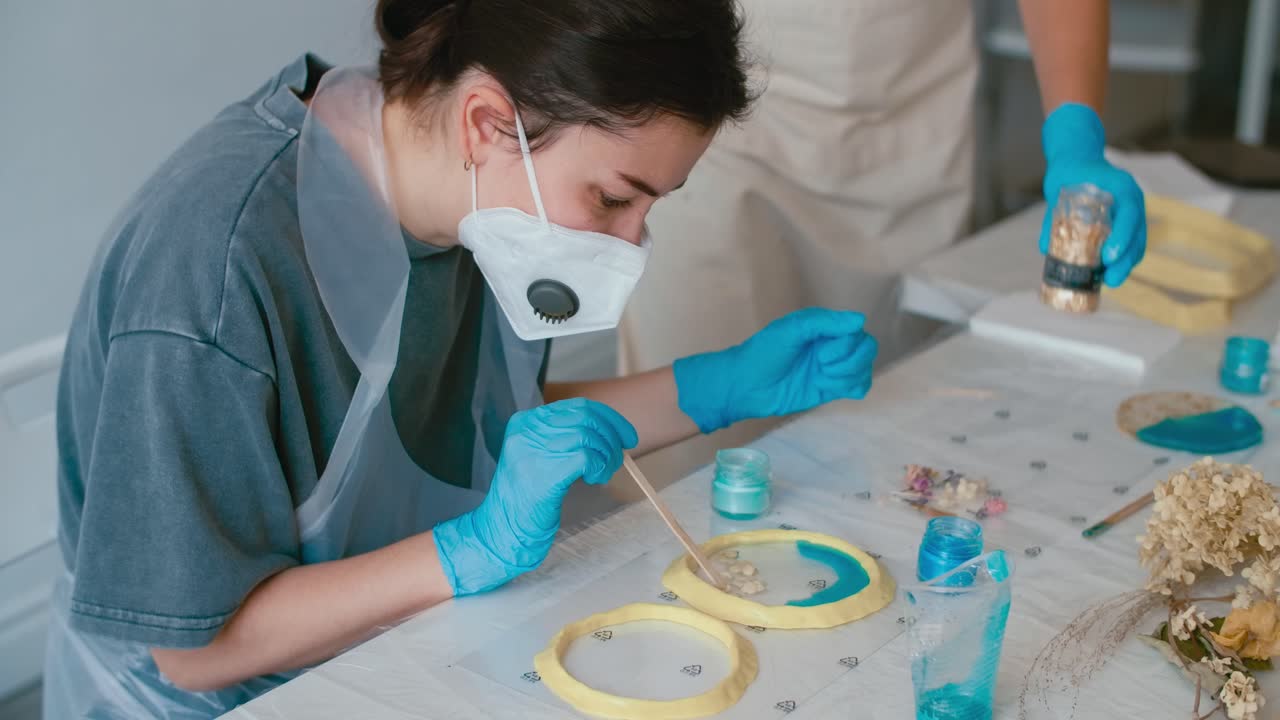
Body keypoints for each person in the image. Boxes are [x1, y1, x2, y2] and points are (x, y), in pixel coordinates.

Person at [44, 0, 879, 716]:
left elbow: (481, 423)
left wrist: (716, 387)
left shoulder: (465, 198)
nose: (630, 245)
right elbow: (196, 650)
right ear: (486, 121)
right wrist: (472, 548)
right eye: (613, 198)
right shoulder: (214, 269)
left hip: (391, 644)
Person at [619, 0, 1146, 374]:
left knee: (893, 426)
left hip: (906, 127)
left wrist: (1074, 133)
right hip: (711, 124)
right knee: (697, 428)